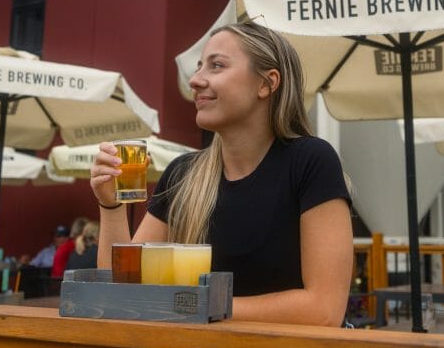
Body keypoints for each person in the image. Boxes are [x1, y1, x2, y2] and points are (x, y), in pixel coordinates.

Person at [91, 22, 353, 326]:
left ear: (267, 83)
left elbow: (323, 311)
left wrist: (191, 305)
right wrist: (111, 206)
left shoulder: (310, 161)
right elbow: (122, 291)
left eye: (216, 66)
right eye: (199, 67)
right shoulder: (183, 174)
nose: (196, 80)